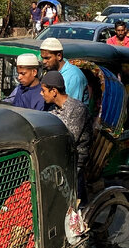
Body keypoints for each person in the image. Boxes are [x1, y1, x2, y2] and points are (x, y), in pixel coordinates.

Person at [40, 70, 92, 201]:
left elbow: (69, 139)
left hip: (74, 160)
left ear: (54, 91)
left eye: (44, 90)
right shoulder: (52, 109)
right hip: (58, 156)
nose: (41, 94)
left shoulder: (77, 109)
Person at [39, 37, 88, 105]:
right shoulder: (49, 71)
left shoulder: (74, 76)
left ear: (59, 56)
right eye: (43, 58)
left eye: (47, 58)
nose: (44, 61)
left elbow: (73, 107)